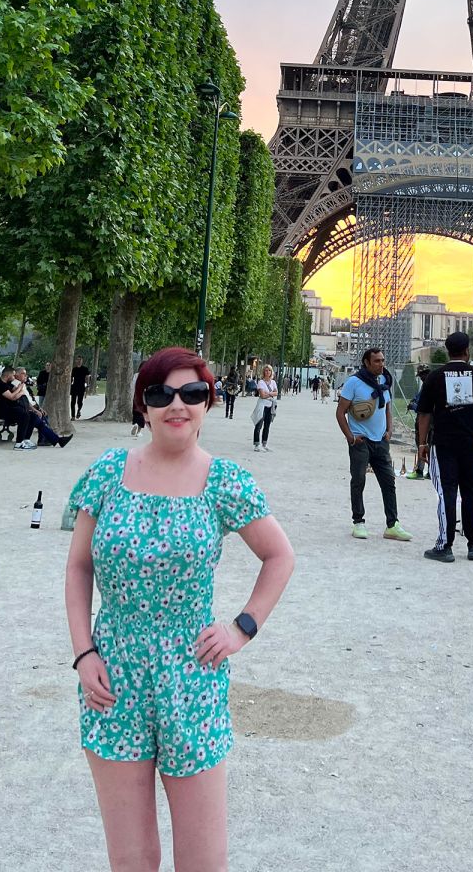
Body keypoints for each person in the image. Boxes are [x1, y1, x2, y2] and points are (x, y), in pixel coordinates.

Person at [65, 346, 295, 872]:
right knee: (129, 857)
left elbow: (280, 555)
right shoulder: (106, 474)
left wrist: (242, 627)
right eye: (160, 393)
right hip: (112, 672)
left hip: (191, 672)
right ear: (141, 405)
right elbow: (79, 568)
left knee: (203, 859)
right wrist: (83, 653)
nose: (177, 404)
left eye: (192, 393)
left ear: (208, 403)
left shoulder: (224, 482)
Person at [416, 332, 473, 563]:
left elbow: (424, 413)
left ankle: (445, 544)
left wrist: (422, 443)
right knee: (472, 494)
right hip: (472, 444)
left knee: (447, 494)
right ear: (467, 350)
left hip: (444, 444)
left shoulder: (435, 377)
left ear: (448, 350)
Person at [336, 348, 412, 543]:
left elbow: (387, 407)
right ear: (366, 363)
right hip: (360, 442)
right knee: (359, 480)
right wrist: (350, 437)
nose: (381, 364)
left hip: (381, 442)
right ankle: (358, 522)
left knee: (389, 483)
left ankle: (392, 525)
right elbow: (340, 412)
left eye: (383, 360)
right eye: (377, 361)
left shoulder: (384, 382)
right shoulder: (354, 382)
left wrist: (389, 431)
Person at [0, 365, 71, 449]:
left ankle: (30, 440)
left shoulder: (6, 384)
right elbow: (12, 397)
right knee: (25, 415)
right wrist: (20, 390)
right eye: (13, 375)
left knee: (32, 416)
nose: (14, 377)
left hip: (11, 410)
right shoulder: (0, 385)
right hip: (1, 411)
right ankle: (19, 443)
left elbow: (17, 396)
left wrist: (21, 390)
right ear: (8, 375)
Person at [251, 365, 277, 451]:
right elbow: (262, 395)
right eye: (266, 370)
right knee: (259, 424)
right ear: (263, 372)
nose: (267, 372)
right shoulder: (261, 382)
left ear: (271, 372)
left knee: (267, 425)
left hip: (270, 406)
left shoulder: (273, 382)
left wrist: (268, 393)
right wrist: (271, 393)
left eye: (269, 370)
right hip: (262, 405)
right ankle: (256, 444)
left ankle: (264, 444)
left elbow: (276, 392)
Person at [71, 355, 91, 419]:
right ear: (76, 361)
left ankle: (79, 411)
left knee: (79, 401)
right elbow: (71, 378)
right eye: (78, 360)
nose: (79, 361)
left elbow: (87, 377)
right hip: (74, 386)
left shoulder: (85, 369)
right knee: (72, 402)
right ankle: (73, 416)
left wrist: (87, 385)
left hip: (81, 386)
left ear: (82, 361)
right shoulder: (74, 369)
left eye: (80, 360)